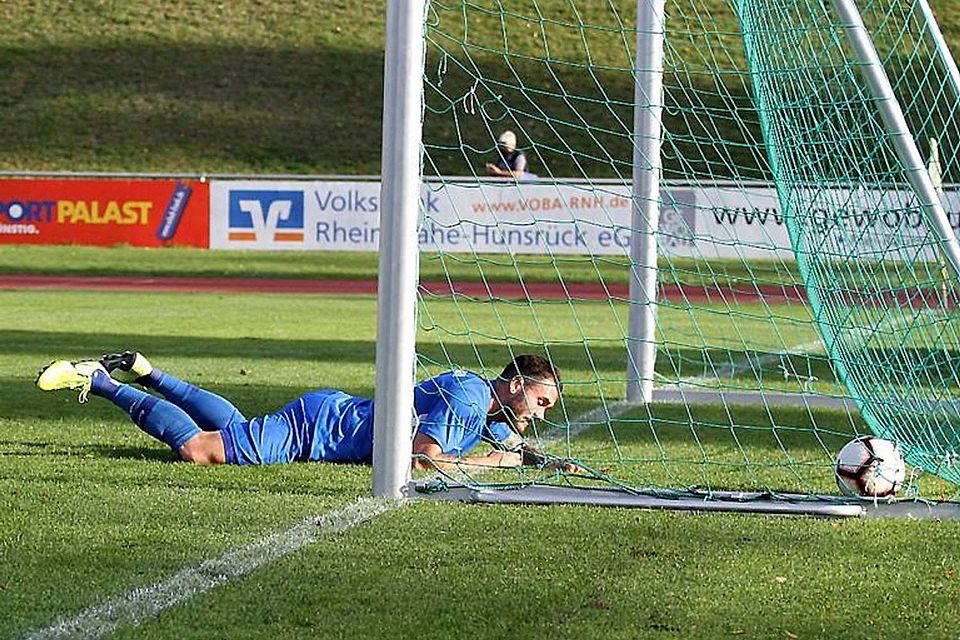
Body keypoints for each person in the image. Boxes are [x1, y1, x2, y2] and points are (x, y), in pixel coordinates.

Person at [35, 351, 582, 472]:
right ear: (513, 384)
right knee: (202, 450)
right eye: (539, 401)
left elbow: (502, 440)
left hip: (330, 412)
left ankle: (146, 369)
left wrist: (544, 462)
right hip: (319, 429)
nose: (537, 413)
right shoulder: (466, 400)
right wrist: (499, 465)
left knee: (235, 427)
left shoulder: (481, 401)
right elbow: (423, 461)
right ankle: (101, 379)